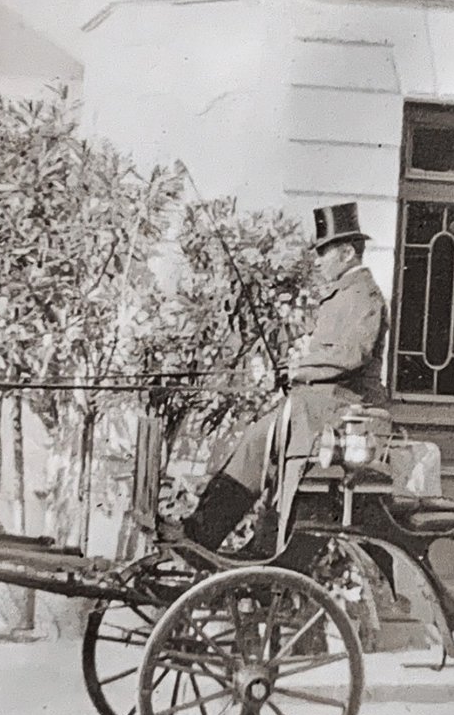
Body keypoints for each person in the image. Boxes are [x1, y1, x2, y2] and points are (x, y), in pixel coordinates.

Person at [164, 202, 390, 550]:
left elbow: (352, 354)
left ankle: (209, 536)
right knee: (258, 442)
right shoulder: (345, 293)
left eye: (323, 253)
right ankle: (210, 534)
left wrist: (301, 367)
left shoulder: (363, 295)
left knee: (258, 439)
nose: (317, 261)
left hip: (339, 409)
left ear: (346, 253)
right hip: (316, 406)